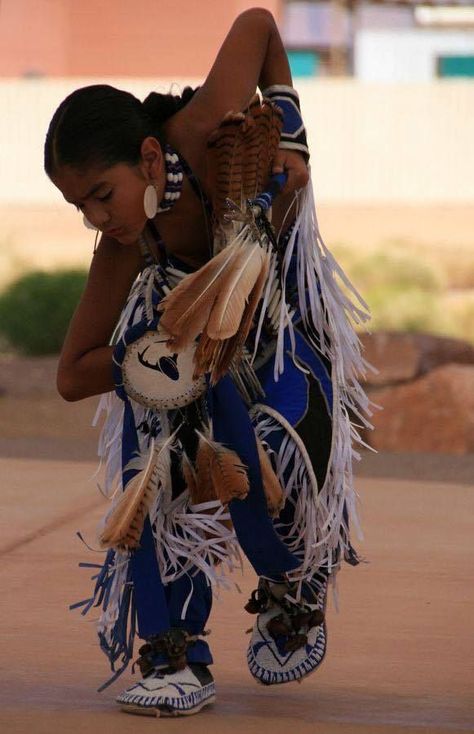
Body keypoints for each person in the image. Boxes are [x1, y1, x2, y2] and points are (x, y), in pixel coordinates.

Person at [44, 7, 372, 718]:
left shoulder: (201, 129)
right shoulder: (124, 248)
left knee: (282, 449)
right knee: (156, 448)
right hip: (195, 379)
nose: (100, 219)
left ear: (149, 156)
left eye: (103, 194)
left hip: (276, 336)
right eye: (81, 208)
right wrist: (150, 356)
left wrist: (291, 136)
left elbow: (259, 23)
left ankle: (293, 581)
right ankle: (175, 649)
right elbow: (72, 375)